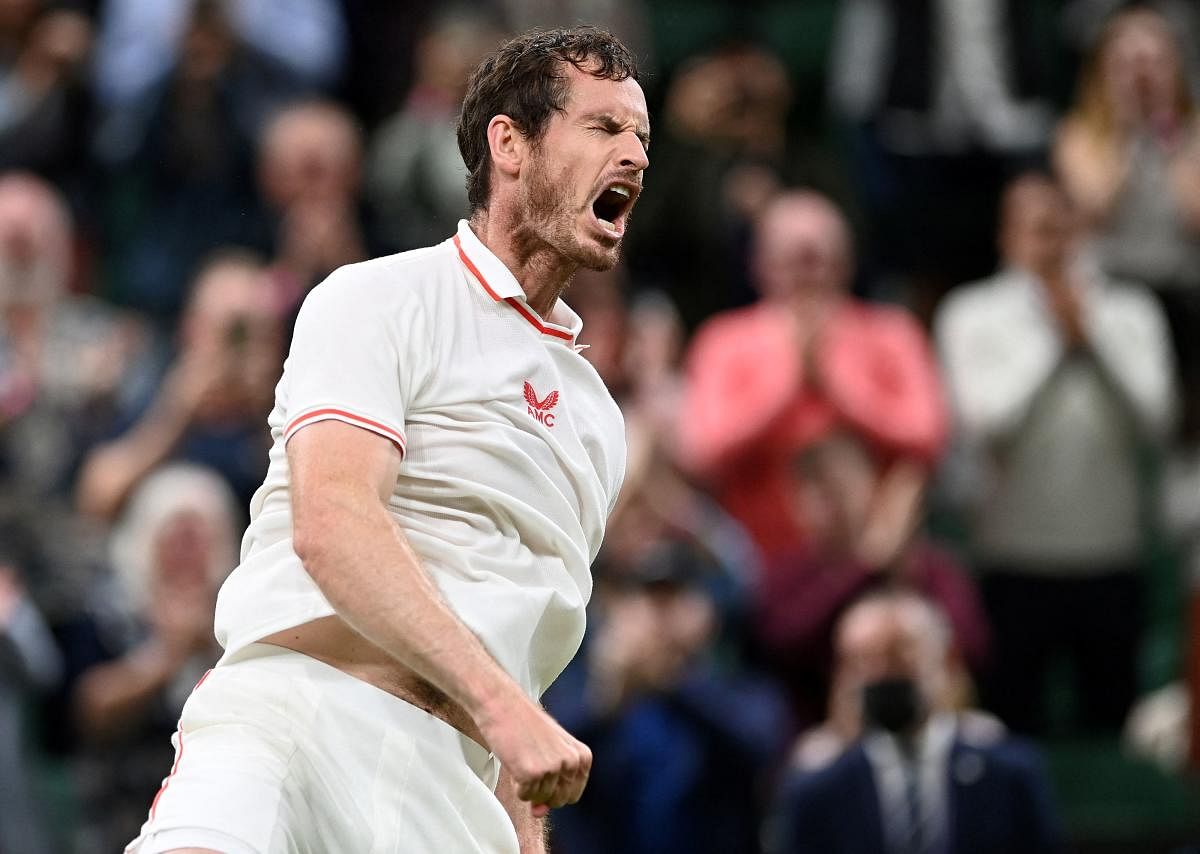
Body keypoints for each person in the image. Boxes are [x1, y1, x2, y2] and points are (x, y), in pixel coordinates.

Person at [125, 25, 648, 854]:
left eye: (642, 138)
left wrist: (524, 818)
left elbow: (525, 685)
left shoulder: (600, 423)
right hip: (295, 718)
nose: (636, 157)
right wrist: (504, 708)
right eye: (605, 128)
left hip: (449, 797)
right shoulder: (376, 297)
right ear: (508, 144)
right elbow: (332, 522)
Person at [935, 173, 1175, 736]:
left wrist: (1091, 335)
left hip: (1111, 556)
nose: (1052, 243)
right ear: (1007, 236)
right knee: (1012, 726)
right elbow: (986, 424)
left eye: (1062, 227)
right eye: (1036, 230)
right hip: (1012, 558)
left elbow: (1156, 418)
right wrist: (1053, 342)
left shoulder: (1130, 311)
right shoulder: (970, 315)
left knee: (1114, 725)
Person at [678, 190, 947, 563]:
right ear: (760, 264)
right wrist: (788, 385)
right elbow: (702, 451)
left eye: (819, 259)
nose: (807, 275)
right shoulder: (724, 340)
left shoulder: (892, 333)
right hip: (759, 564)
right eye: (793, 260)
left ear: (846, 263)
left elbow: (928, 438)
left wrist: (838, 389)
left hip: (874, 558)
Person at [771, 590, 1064, 854]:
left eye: (899, 657)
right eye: (864, 662)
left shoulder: (1009, 775)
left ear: (946, 659)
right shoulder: (817, 789)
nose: (883, 676)